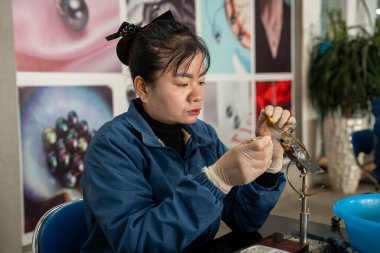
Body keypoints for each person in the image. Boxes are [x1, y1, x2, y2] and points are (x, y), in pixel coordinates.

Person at [80, 10, 296, 252]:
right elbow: (139, 243)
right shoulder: (112, 146)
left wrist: (269, 163)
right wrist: (216, 181)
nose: (198, 95)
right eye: (183, 84)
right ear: (143, 87)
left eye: (201, 81)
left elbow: (244, 220)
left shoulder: (202, 135)